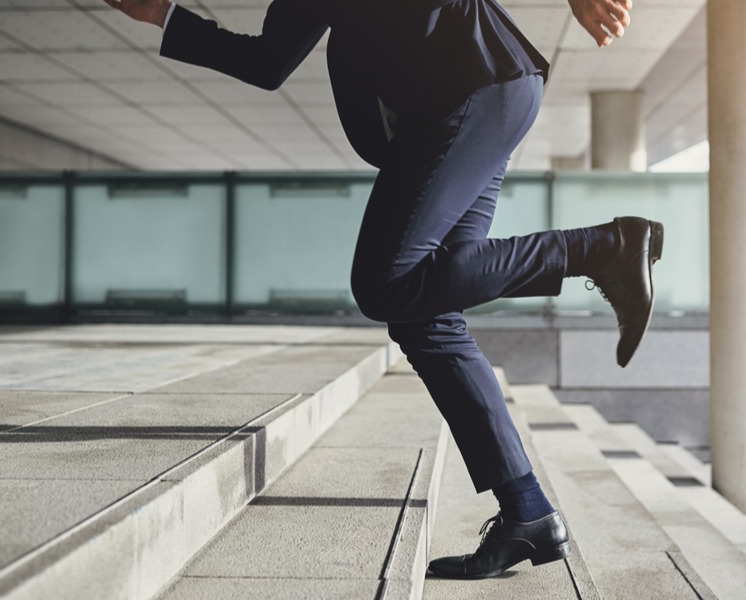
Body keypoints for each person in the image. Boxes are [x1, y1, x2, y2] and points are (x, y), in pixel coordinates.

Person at [104, 0, 662, 580]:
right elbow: (268, 61)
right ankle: (527, 511)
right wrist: (163, 15)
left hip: (474, 87)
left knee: (384, 281)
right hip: (469, 100)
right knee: (424, 315)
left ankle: (604, 248)